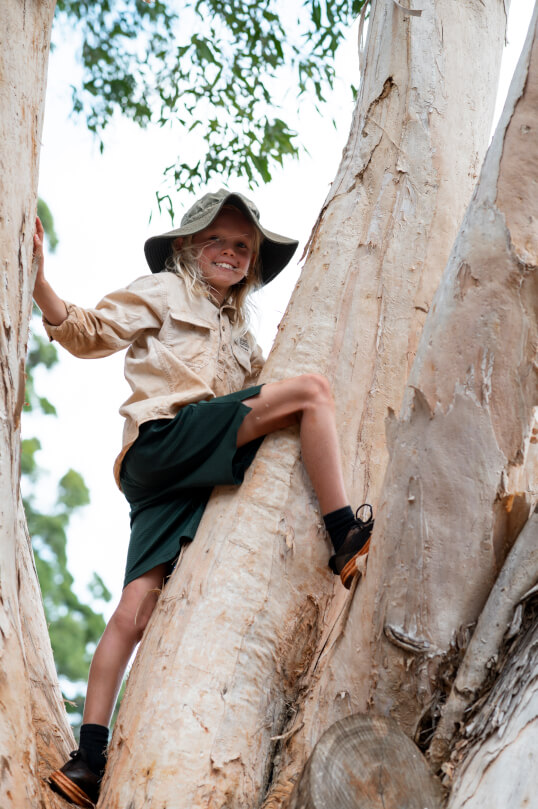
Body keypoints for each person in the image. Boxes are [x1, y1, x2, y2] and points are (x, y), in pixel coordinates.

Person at [33, 189, 373, 807]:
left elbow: (253, 395)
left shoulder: (244, 337)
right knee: (313, 393)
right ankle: (344, 529)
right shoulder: (163, 292)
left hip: (189, 474)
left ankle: (86, 759)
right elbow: (88, 332)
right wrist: (39, 284)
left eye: (243, 247)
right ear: (189, 246)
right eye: (218, 240)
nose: (232, 252)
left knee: (136, 609)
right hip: (164, 440)